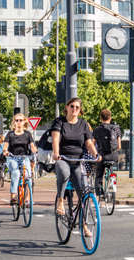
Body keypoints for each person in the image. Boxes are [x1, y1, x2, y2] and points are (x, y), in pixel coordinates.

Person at [52, 97, 100, 237]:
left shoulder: (83, 124)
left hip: (78, 160)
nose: (74, 109)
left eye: (77, 107)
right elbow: (55, 138)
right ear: (66, 107)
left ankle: (84, 225)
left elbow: (89, 143)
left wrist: (96, 154)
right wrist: (56, 153)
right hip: (63, 158)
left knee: (84, 194)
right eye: (72, 106)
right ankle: (60, 201)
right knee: (64, 172)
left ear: (80, 110)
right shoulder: (59, 122)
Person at [3, 113, 37, 204]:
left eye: (20, 120)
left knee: (28, 176)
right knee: (16, 172)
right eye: (16, 120)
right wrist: (5, 151)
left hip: (24, 157)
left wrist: (35, 151)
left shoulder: (27, 134)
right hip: (12, 158)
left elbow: (32, 146)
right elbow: (5, 146)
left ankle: (27, 198)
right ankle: (13, 196)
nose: (18, 122)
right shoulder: (10, 134)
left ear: (24, 122)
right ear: (14, 122)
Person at [93, 109, 121, 196]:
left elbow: (92, 145)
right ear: (110, 117)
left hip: (102, 156)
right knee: (111, 168)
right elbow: (119, 146)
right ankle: (113, 181)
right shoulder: (116, 128)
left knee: (99, 174)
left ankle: (99, 194)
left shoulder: (97, 130)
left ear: (100, 118)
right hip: (113, 156)